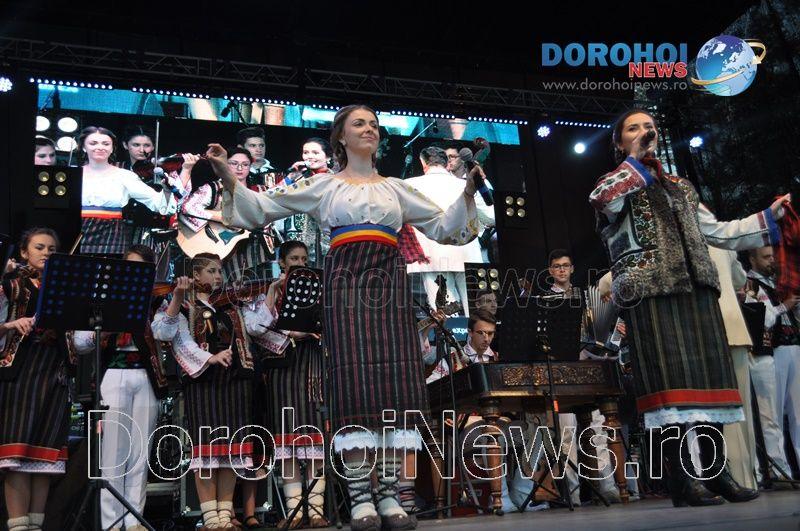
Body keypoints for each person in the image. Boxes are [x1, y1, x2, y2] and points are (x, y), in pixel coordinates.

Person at [209, 103, 479, 531]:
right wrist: (227, 174)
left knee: (393, 384)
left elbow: (447, 228)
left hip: (388, 283)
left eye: (374, 124)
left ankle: (388, 493)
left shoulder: (395, 188)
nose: (369, 129)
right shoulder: (325, 185)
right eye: (359, 124)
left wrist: (467, 194)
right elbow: (261, 207)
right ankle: (359, 497)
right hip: (346, 282)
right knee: (355, 383)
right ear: (341, 137)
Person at [589, 108, 788, 506]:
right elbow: (603, 199)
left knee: (709, 384)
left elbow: (719, 233)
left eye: (649, 126)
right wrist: (636, 162)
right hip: (651, 291)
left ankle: (716, 473)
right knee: (668, 389)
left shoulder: (682, 187)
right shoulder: (614, 183)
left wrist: (769, 217)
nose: (644, 131)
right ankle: (681, 479)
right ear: (619, 143)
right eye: (634, 128)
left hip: (696, 290)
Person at [152, 253, 271, 530]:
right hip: (204, 381)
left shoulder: (230, 303)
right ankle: (210, 516)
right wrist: (211, 357)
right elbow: (172, 337)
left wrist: (271, 292)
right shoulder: (184, 304)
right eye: (212, 271)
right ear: (195, 275)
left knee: (231, 450)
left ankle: (225, 513)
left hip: (235, 379)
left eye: (220, 271)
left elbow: (257, 327)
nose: (218, 276)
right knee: (207, 450)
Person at [70, 244, 177, 531]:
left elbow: (166, 333)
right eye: (129, 267)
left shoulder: (157, 300)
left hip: (146, 376)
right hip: (114, 374)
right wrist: (106, 326)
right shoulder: (104, 298)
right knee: (113, 453)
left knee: (140, 453)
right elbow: (80, 343)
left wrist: (176, 299)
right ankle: (111, 523)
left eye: (141, 269)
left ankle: (134, 521)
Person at [0, 228, 75, 531]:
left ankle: (36, 526)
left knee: (44, 459)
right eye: (40, 247)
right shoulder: (11, 285)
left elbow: (77, 340)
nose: (46, 253)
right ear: (24, 252)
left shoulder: (64, 290)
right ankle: (19, 527)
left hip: (55, 371)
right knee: (18, 454)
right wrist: (11, 324)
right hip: (21, 372)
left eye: (52, 249)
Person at [256, 240, 328, 529]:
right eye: (294, 259)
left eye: (304, 259)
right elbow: (257, 329)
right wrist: (292, 334)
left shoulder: (317, 289)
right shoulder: (270, 291)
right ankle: (294, 510)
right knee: (287, 440)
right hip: (282, 368)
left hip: (311, 366)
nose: (300, 263)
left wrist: (315, 331)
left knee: (314, 438)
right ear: (282, 263)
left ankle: (317, 509)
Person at [405, 146, 494, 314]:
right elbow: (491, 217)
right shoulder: (465, 184)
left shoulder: (409, 185)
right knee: (476, 312)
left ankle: (453, 332)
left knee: (447, 314)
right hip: (467, 253)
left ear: (423, 163)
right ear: (446, 164)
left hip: (432, 257)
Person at [78, 126, 177, 255]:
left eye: (106, 144)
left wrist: (167, 191)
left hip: (110, 240)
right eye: (93, 143)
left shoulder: (125, 176)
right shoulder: (73, 173)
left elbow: (159, 204)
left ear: (112, 148)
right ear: (84, 147)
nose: (100, 147)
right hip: (76, 234)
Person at [746, 245, 800, 480]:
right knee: (773, 414)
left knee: (798, 414)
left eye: (772, 257)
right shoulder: (751, 283)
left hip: (793, 345)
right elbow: (762, 319)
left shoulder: (779, 283)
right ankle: (779, 470)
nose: (771, 261)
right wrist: (784, 306)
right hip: (772, 350)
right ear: (752, 259)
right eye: (766, 257)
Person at [179, 147, 273, 281]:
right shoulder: (213, 188)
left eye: (245, 164)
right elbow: (186, 208)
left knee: (259, 284)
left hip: (258, 251)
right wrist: (222, 217)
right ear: (225, 165)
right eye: (234, 163)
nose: (239, 168)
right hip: (224, 250)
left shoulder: (261, 191)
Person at [282, 138, 335, 266]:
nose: (310, 156)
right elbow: (274, 196)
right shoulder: (297, 180)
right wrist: (291, 177)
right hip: (299, 243)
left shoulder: (336, 181)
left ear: (328, 157)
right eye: (306, 152)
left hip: (327, 241)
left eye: (315, 153)